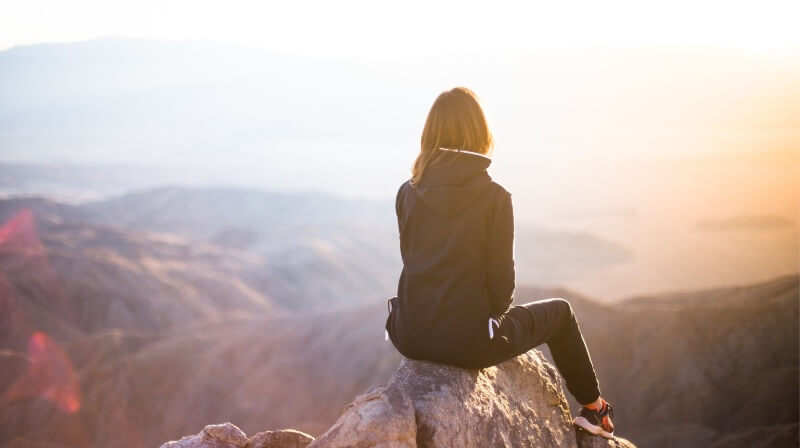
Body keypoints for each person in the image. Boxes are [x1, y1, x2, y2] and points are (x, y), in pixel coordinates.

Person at [384, 86, 615, 438]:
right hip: (469, 344)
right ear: (480, 133)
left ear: (429, 134)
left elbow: (414, 260)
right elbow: (502, 290)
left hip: (408, 333)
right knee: (562, 314)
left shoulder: (407, 190)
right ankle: (594, 410)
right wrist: (485, 323)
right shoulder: (494, 198)